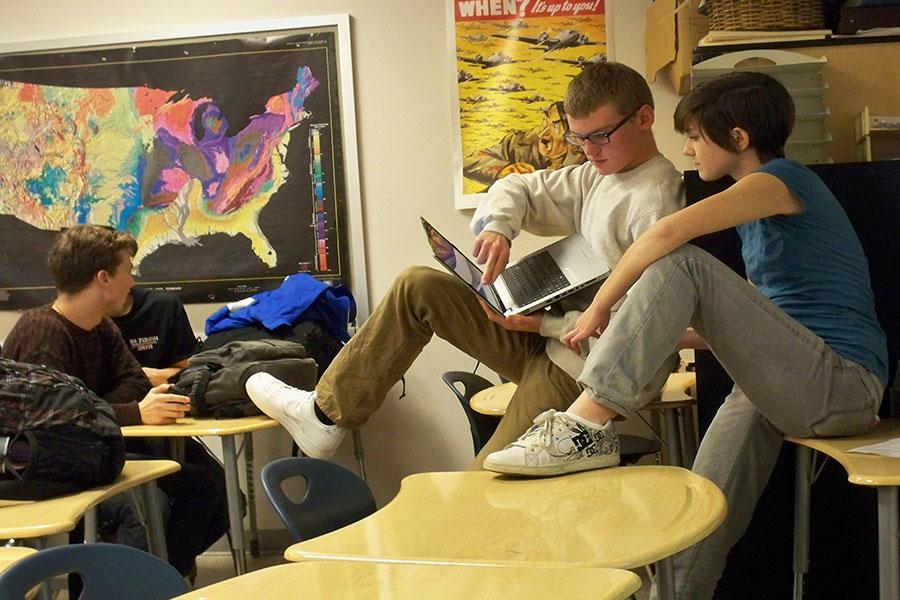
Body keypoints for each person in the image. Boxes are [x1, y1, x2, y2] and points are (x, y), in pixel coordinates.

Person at [482, 72, 888, 599]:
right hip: (790, 382)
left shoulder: (779, 180)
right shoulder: (756, 215)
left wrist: (600, 310)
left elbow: (666, 236)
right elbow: (747, 321)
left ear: (738, 138)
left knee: (683, 264)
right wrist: (645, 331)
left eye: (695, 135)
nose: (688, 148)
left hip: (842, 383)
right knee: (701, 512)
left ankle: (583, 427)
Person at [244, 62, 685, 467]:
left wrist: (540, 326)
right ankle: (325, 415)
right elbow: (518, 188)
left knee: (483, 489)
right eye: (577, 138)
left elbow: (641, 330)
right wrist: (498, 227)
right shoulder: (601, 172)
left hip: (584, 369)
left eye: (600, 136)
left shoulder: (656, 205)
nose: (588, 150)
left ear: (644, 118)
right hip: (545, 338)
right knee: (417, 285)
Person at [2, 225, 229, 578]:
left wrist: (92, 409)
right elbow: (53, 428)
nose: (133, 281)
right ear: (103, 278)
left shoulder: (101, 326)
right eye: (128, 271)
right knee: (142, 504)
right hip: (45, 468)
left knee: (212, 489)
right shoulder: (42, 332)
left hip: (96, 449)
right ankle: (131, 581)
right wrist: (130, 413)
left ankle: (156, 578)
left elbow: (134, 382)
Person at [462, 101, 586, 187]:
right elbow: (468, 160)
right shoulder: (522, 141)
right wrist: (503, 170)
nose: (542, 134)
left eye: (555, 128)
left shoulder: (586, 159)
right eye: (544, 123)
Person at [113, 287, 198, 386]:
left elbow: (190, 371)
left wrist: (155, 376)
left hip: (164, 391)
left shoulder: (163, 305)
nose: (131, 281)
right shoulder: (96, 320)